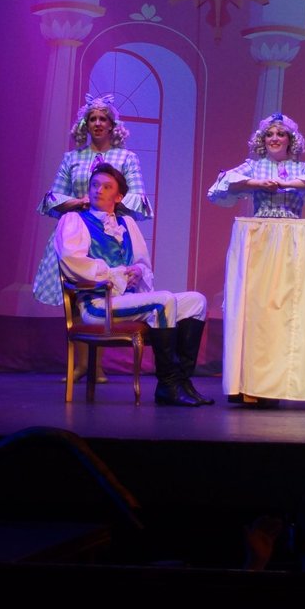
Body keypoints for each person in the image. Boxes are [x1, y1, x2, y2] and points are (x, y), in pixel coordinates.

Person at [47, 164, 211, 406]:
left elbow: (142, 264)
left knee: (196, 301)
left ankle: (182, 382)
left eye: (106, 187)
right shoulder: (74, 220)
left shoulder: (127, 223)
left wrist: (137, 271)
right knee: (163, 300)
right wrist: (117, 274)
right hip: (97, 305)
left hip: (127, 300)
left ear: (118, 196)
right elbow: (73, 262)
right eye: (95, 185)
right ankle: (167, 385)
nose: (98, 190)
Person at [31, 94, 152, 382]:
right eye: (92, 118)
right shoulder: (73, 158)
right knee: (76, 296)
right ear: (85, 124)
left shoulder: (126, 158)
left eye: (103, 119)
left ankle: (97, 365)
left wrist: (109, 203)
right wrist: (80, 202)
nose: (97, 123)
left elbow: (137, 196)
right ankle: (81, 364)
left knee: (108, 291)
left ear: (112, 125)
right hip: (77, 230)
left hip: (110, 232)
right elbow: (55, 196)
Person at [207, 112, 305, 218]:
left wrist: (288, 184)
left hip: (292, 230)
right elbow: (226, 181)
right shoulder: (254, 166)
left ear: (290, 140)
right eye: (269, 135)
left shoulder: (300, 167)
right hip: (261, 230)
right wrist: (259, 184)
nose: (274, 139)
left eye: (280, 134)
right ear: (263, 140)